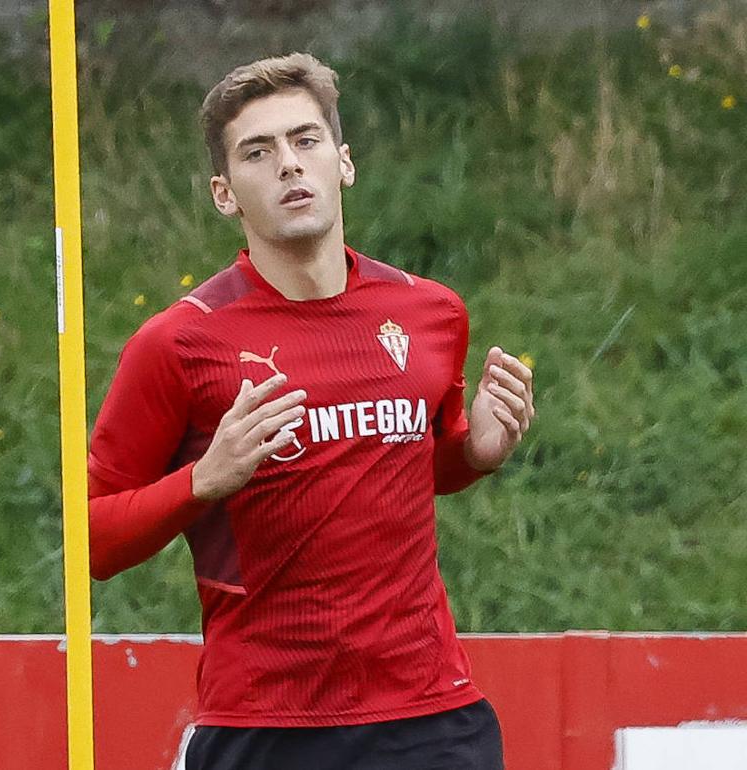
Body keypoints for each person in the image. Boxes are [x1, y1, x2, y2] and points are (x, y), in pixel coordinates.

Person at [86, 53, 535, 769]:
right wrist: (204, 480)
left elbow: (409, 460)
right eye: (257, 153)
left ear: (343, 162)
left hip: (430, 717)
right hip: (267, 723)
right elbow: (91, 540)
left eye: (305, 141)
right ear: (224, 194)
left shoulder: (430, 313)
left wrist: (472, 452)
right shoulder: (178, 342)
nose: (289, 166)